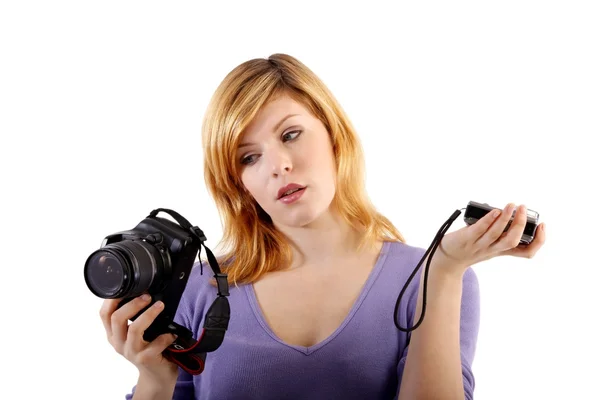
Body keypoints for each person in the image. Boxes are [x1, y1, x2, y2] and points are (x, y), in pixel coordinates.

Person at [99, 53, 546, 400]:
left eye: (290, 134)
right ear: (238, 181)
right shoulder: (197, 288)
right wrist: (153, 383)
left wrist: (444, 270)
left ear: (334, 134)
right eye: (248, 157)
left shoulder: (433, 280)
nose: (279, 166)